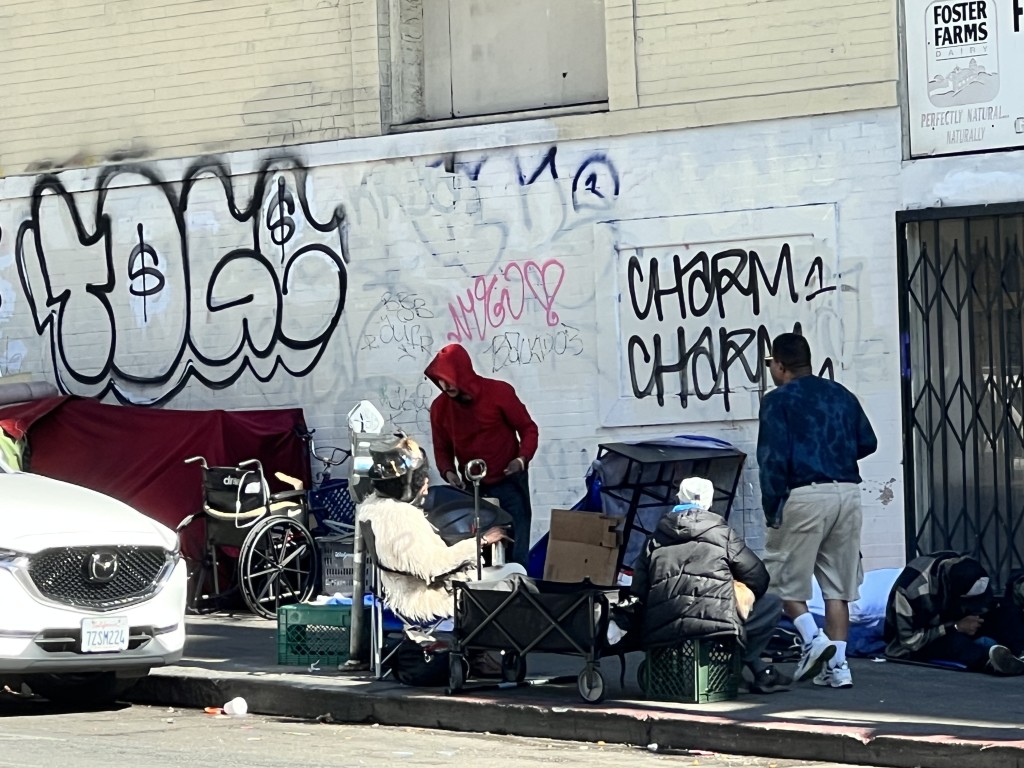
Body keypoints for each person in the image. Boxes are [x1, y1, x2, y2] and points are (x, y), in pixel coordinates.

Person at [757, 332, 878, 688]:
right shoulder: (841, 394)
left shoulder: (777, 401)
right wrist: (835, 454)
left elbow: (772, 461)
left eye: (771, 364)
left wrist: (772, 508)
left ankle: (813, 639)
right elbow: (868, 441)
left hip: (805, 494)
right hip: (848, 493)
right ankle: (838, 668)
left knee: (781, 580)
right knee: (838, 588)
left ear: (781, 365)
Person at [631, 477, 792, 694]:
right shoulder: (722, 533)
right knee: (771, 604)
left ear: (678, 498)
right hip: (718, 619)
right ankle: (740, 669)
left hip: (664, 622)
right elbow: (758, 576)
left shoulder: (654, 538)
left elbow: (639, 588)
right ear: (709, 502)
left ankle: (756, 670)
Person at [356, 434, 514, 623]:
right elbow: (434, 566)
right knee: (515, 576)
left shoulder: (372, 509)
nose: (426, 482)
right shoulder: (402, 517)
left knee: (509, 573)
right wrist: (481, 541)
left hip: (403, 594)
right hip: (429, 598)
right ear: (407, 482)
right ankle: (491, 639)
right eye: (421, 477)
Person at [425, 343, 539, 569]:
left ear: (462, 373)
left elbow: (528, 429)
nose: (445, 386)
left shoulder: (499, 393)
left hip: (508, 482)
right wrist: (448, 472)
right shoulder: (439, 408)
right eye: (440, 380)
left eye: (449, 379)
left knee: (516, 543)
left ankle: (518, 584)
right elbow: (442, 448)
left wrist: (521, 459)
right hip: (472, 487)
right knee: (479, 550)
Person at [884, 552, 1024, 675]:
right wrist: (955, 627)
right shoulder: (909, 591)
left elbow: (985, 607)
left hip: (955, 619)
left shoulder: (960, 565)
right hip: (920, 639)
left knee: (1005, 614)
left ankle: (1019, 655)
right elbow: (909, 641)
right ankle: (992, 664)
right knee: (954, 642)